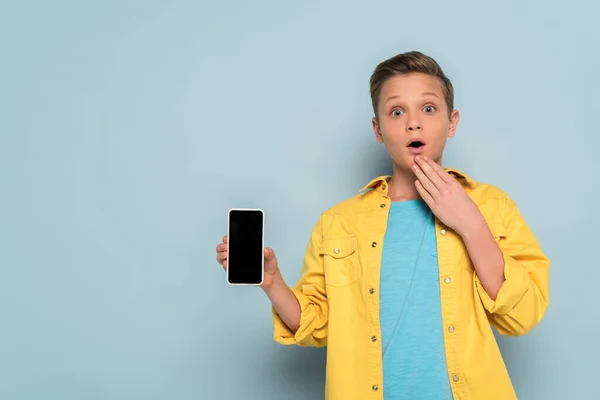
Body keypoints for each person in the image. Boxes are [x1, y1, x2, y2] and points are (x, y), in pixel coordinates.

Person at [215, 51, 550, 400]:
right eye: (396, 111)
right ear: (378, 129)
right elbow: (317, 324)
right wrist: (272, 283)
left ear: (452, 122)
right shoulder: (339, 223)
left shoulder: (491, 207)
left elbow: (523, 315)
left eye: (429, 108)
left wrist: (470, 224)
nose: (413, 123)